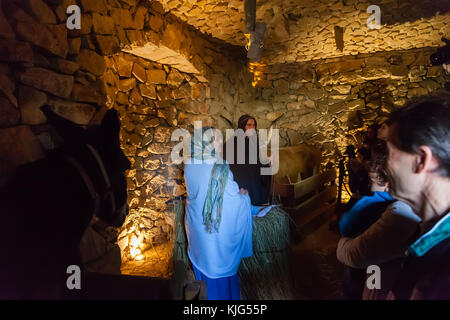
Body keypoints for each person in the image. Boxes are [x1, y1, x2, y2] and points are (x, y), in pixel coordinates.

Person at [382, 95, 450, 299]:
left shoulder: (443, 276)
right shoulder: (430, 237)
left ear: (422, 160)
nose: (385, 165)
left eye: (390, 153)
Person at [184, 126, 253, 300]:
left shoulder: (190, 164)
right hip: (214, 236)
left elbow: (195, 197)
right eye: (216, 139)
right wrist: (244, 198)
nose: (221, 142)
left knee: (202, 281)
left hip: (197, 232)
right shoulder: (221, 168)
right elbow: (232, 201)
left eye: (221, 138)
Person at [223, 115, 271, 206]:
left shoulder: (253, 141)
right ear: (242, 126)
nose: (252, 128)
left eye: (254, 125)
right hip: (241, 182)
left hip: (253, 181)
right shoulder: (232, 143)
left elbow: (257, 160)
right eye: (249, 125)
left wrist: (265, 162)